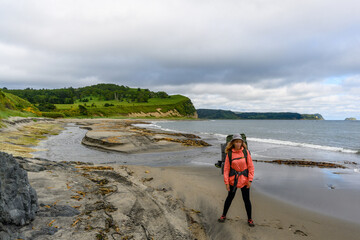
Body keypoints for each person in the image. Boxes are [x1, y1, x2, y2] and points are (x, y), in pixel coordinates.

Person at [218, 134, 255, 227]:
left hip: (245, 180)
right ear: (233, 143)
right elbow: (226, 169)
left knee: (246, 200)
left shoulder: (246, 152)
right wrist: (226, 182)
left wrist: (250, 180)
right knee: (229, 198)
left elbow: (251, 167)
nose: (238, 143)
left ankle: (250, 219)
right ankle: (223, 215)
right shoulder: (229, 154)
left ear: (242, 142)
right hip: (233, 181)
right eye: (236, 141)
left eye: (239, 141)